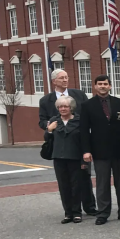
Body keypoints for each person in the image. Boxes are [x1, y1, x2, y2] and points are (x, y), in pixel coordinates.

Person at [80, 74, 120, 225]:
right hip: (99, 151)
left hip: (119, 150)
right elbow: (84, 130)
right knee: (102, 183)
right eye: (100, 84)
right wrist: (86, 150)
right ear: (95, 86)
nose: (103, 86)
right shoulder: (87, 105)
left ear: (110, 86)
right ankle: (103, 213)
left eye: (105, 84)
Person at [38, 68, 95, 218]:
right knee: (66, 182)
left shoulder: (79, 95)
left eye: (66, 77)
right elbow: (42, 120)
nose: (65, 80)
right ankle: (70, 211)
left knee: (84, 178)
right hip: (60, 143)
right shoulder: (46, 100)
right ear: (54, 81)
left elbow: (89, 114)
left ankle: (89, 207)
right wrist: (49, 127)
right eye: (62, 78)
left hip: (79, 141)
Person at [45, 95, 85, 223]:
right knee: (64, 186)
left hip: (75, 158)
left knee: (76, 186)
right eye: (60, 106)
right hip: (59, 158)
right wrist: (49, 130)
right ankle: (68, 213)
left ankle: (77, 213)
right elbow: (47, 139)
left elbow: (85, 141)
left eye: (65, 106)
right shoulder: (54, 120)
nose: (63, 109)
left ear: (71, 107)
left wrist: (85, 160)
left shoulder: (79, 121)